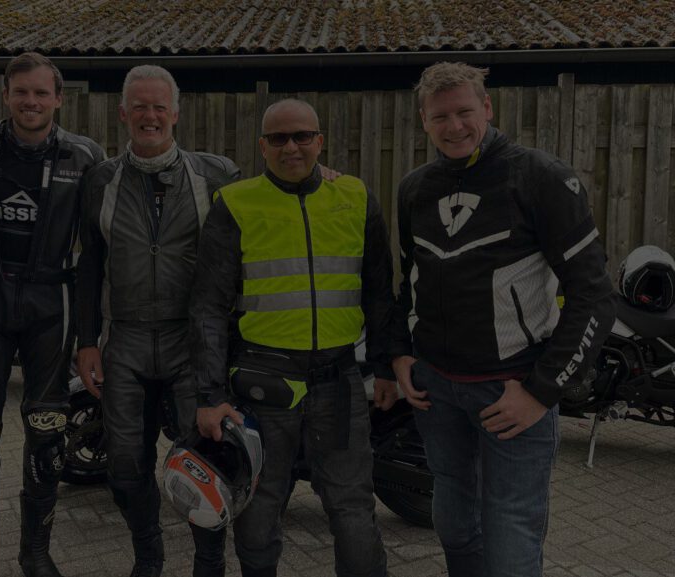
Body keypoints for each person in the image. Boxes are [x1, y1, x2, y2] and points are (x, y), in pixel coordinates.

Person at [393, 62, 615, 577]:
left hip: (512, 391)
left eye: (464, 112)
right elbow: (410, 281)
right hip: (436, 393)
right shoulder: (414, 189)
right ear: (424, 120)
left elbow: (593, 296)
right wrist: (399, 353)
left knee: (510, 536)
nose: (454, 127)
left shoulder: (542, 177)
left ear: (487, 108)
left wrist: (541, 391)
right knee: (452, 525)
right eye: (439, 116)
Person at [190, 98, 399, 577]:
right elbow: (207, 306)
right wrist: (210, 395)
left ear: (319, 141)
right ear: (262, 146)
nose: (291, 147)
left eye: (302, 136)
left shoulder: (355, 196)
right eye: (279, 138)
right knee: (258, 508)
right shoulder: (235, 203)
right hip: (262, 384)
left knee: (352, 507)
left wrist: (386, 366)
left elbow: (378, 291)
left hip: (339, 381)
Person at [75, 65, 241, 577]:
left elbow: (266, 210)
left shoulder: (217, 174)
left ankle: (209, 564)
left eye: (159, 107)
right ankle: (148, 558)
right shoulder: (100, 178)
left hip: (190, 341)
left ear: (176, 113)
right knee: (125, 468)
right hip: (123, 340)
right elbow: (89, 264)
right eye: (140, 107)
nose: (150, 116)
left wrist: (321, 174)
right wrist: (86, 340)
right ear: (123, 113)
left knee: (205, 464)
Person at [0, 52, 105, 577]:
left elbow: (100, 247)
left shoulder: (86, 156)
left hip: (51, 306)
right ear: (6, 96)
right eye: (21, 92)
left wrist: (91, 334)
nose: (31, 102)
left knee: (47, 436)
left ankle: (35, 554)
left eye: (41, 93)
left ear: (59, 98)